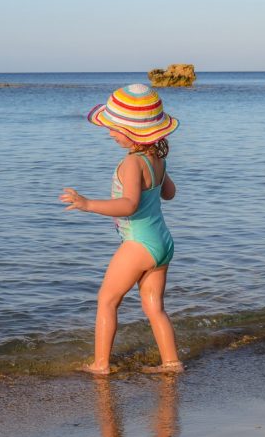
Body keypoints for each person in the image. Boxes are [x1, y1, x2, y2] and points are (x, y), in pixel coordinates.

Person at [60, 84, 184, 375]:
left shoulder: (131, 163)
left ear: (132, 131)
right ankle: (172, 363)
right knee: (154, 307)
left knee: (107, 300)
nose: (110, 133)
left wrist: (87, 204)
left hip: (139, 243)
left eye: (114, 128)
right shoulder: (158, 159)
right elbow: (170, 194)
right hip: (162, 241)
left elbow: (128, 205)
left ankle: (101, 365)